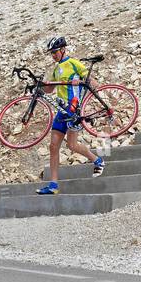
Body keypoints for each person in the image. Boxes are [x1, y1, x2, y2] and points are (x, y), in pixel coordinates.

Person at [36, 36, 105, 194]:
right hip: (61, 111)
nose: (53, 55)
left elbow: (91, 81)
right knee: (53, 147)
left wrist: (97, 95)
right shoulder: (56, 69)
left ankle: (98, 160)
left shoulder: (74, 63)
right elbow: (50, 90)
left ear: (62, 50)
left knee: (72, 146)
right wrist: (40, 88)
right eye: (51, 53)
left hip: (74, 109)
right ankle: (53, 186)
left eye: (55, 52)